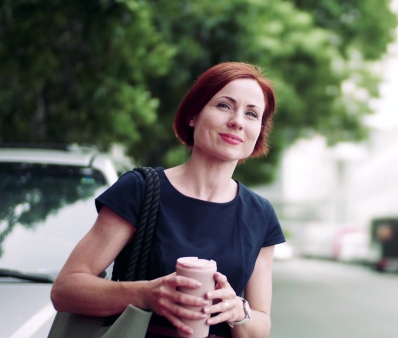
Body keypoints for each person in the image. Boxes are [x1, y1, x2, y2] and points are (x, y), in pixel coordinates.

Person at [51, 62, 286, 338]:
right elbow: (66, 289)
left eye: (251, 114)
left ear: (258, 130)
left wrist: (238, 311)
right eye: (224, 105)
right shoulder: (140, 189)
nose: (237, 121)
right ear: (193, 116)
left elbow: (260, 326)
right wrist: (146, 294)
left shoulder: (260, 214)